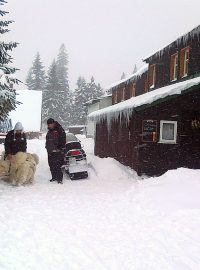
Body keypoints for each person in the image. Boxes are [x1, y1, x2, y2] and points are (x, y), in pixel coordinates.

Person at [45, 118, 66, 184]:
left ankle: (59, 179)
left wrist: (60, 148)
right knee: (51, 165)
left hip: (57, 151)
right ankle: (54, 177)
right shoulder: (49, 131)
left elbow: (63, 139)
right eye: (48, 125)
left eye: (50, 124)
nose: (49, 126)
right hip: (50, 151)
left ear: (53, 123)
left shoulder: (59, 129)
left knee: (57, 166)